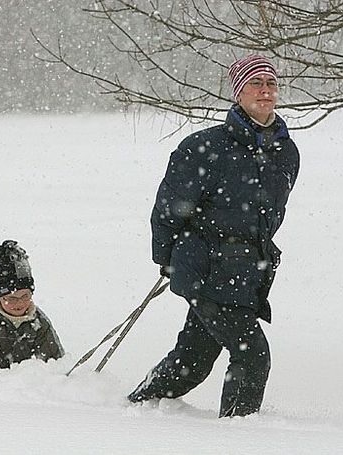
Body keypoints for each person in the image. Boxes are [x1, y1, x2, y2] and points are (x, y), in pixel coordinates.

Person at [127, 55, 300, 417]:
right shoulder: (204, 147)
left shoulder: (286, 151)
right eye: (256, 84)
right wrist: (167, 259)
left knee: (193, 358)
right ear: (238, 93)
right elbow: (169, 208)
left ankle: (138, 405)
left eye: (270, 84)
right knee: (252, 354)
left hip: (247, 272)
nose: (265, 91)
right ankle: (236, 436)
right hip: (204, 269)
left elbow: (270, 215)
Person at [0, 240, 65, 381]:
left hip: (31, 385)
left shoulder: (38, 321)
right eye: (12, 299)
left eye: (25, 296)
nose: (19, 303)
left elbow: (57, 363)